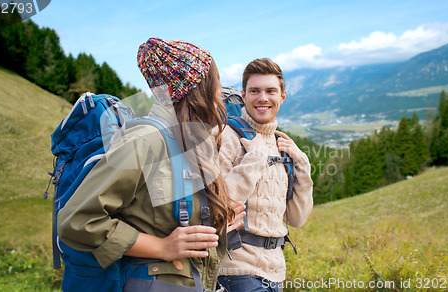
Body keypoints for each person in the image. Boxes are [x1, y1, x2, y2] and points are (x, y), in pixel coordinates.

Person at [57, 38, 243, 291]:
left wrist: (217, 219)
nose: (220, 90)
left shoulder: (187, 140)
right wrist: (162, 247)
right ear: (196, 87)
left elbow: (158, 217)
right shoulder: (146, 140)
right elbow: (77, 220)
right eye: (215, 81)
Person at [216, 58, 314, 291]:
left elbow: (296, 218)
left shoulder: (283, 145)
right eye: (254, 91)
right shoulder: (226, 137)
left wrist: (302, 164)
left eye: (271, 91)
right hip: (235, 270)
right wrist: (254, 160)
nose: (263, 98)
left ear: (282, 96)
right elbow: (217, 207)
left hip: (276, 272)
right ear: (244, 94)